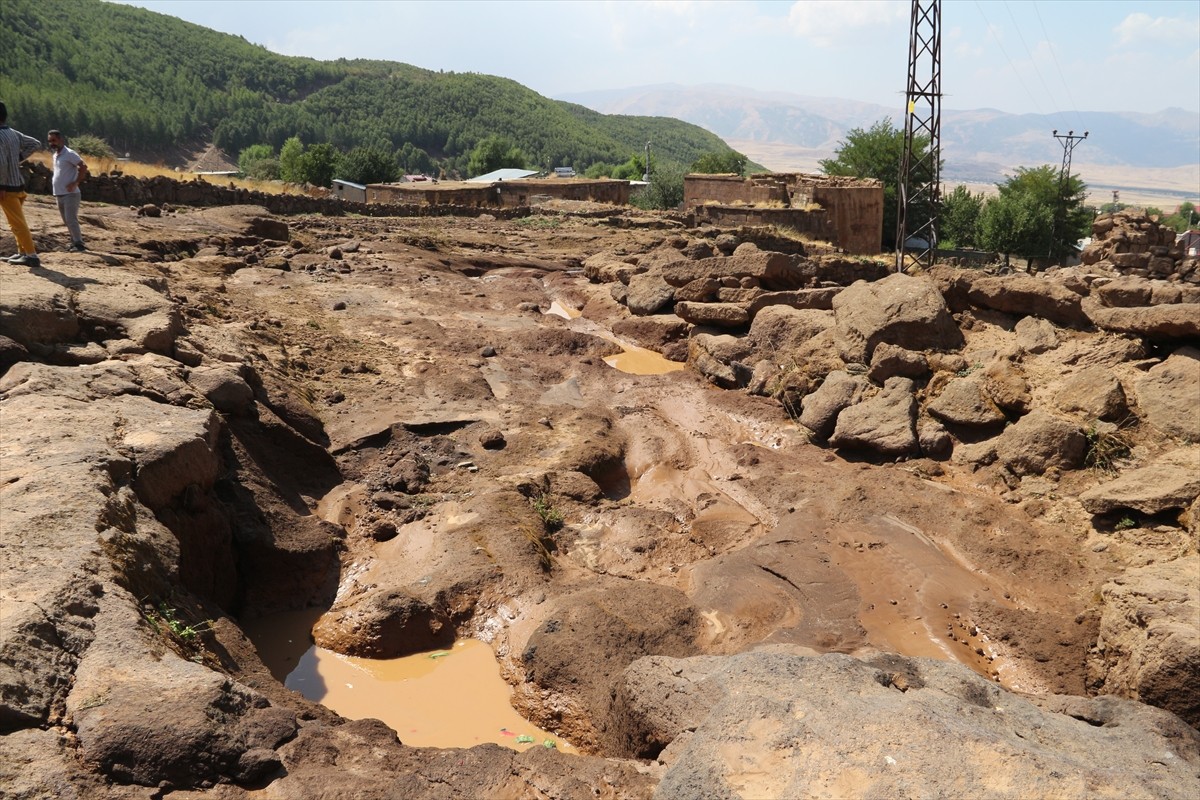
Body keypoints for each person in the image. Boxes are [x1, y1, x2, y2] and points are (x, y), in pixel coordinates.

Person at [0, 101, 41, 267]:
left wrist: (1, 185)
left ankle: (31, 255)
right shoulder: (12, 132)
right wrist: (18, 158)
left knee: (17, 222)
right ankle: (22, 252)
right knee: (15, 221)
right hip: (18, 183)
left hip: (6, 187)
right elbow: (35, 143)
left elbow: (1, 163)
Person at [48, 129, 88, 252]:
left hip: (71, 194)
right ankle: (73, 242)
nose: (52, 143)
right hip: (59, 193)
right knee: (66, 220)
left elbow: (83, 166)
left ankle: (79, 244)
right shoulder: (55, 155)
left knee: (71, 219)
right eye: (50, 141)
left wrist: (75, 183)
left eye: (54, 140)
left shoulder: (70, 153)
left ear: (61, 140)